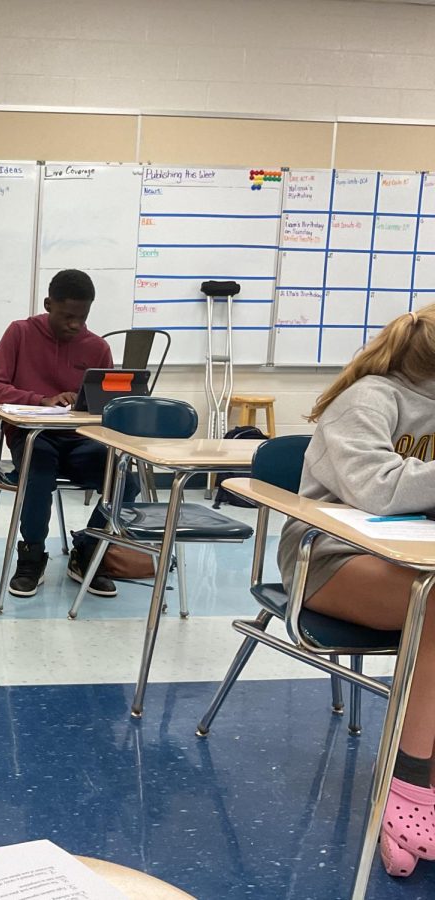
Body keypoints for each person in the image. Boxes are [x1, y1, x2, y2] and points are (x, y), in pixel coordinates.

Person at [277, 305, 435, 879]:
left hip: (408, 559)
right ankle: (407, 786)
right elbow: (378, 486)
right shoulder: (370, 398)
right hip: (327, 561)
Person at [0, 269, 138, 598]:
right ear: (48, 304)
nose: (75, 325)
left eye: (83, 317)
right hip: (34, 437)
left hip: (80, 440)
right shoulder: (20, 333)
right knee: (39, 470)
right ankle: (32, 556)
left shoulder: (96, 348)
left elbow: (106, 406)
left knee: (127, 481)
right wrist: (40, 400)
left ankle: (88, 551)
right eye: (67, 316)